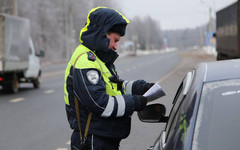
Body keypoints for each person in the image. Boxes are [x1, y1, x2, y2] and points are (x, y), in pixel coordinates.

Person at [64, 6, 154, 150]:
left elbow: (113, 88)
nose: (115, 47)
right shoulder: (84, 60)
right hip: (93, 141)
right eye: (115, 40)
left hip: (103, 139)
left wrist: (140, 87)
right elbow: (100, 103)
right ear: (103, 34)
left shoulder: (99, 59)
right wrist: (134, 102)